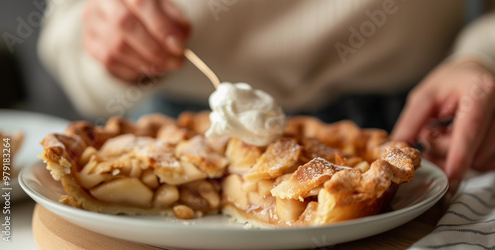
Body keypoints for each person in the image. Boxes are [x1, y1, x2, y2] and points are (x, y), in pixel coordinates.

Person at [38, 0, 495, 191]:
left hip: (418, 121)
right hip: (175, 132)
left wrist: (481, 58)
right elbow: (67, 21)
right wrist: (98, 40)